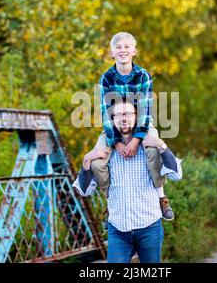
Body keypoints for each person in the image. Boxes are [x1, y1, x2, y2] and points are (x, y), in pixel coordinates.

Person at [73, 100, 182, 263]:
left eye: (128, 114)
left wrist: (162, 145)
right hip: (118, 229)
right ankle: (107, 212)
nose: (124, 118)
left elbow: (176, 175)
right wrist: (86, 161)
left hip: (149, 226)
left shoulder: (150, 145)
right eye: (119, 115)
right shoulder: (105, 151)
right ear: (112, 120)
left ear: (136, 117)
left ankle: (162, 200)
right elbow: (85, 191)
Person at [85, 31, 174, 224]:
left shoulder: (143, 76)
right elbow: (105, 113)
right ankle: (111, 203)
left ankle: (161, 197)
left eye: (126, 47)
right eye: (118, 47)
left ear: (134, 51)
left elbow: (145, 109)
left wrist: (136, 140)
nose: (122, 50)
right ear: (111, 53)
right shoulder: (106, 78)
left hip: (140, 123)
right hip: (115, 125)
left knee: (151, 149)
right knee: (97, 162)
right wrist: (115, 142)